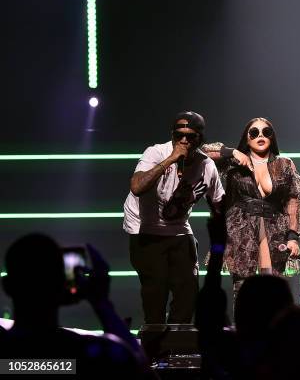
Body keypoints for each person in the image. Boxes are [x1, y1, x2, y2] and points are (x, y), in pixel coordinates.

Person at [0, 233, 153, 378]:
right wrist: (102, 304)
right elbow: (139, 369)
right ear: (63, 285)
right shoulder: (93, 355)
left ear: (7, 286)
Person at [123, 111, 224, 324]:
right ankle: (156, 346)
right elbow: (137, 186)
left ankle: (178, 344)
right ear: (172, 135)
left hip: (179, 228)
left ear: (200, 138)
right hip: (145, 228)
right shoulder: (156, 153)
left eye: (190, 136)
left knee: (188, 291)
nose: (184, 141)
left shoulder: (206, 166)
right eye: (179, 135)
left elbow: (219, 203)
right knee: (155, 292)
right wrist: (170, 160)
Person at [203, 117, 300, 299]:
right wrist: (233, 152)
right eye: (254, 132)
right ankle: (245, 325)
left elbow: (293, 201)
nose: (260, 136)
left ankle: (275, 325)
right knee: (243, 287)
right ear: (247, 138)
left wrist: (293, 236)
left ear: (272, 137)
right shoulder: (233, 163)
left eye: (266, 132)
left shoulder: (284, 164)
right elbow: (202, 152)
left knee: (274, 286)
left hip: (274, 228)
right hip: (241, 229)